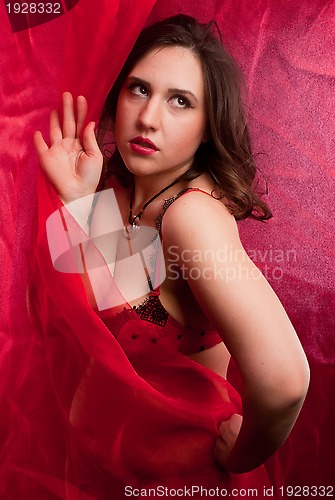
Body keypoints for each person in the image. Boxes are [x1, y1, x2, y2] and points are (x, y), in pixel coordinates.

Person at [33, 14, 310, 497]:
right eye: (139, 89)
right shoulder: (125, 191)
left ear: (208, 128)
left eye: (180, 101)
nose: (148, 117)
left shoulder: (191, 218)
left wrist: (242, 455)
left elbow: (285, 381)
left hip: (186, 479)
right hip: (114, 467)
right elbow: (129, 319)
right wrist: (82, 203)